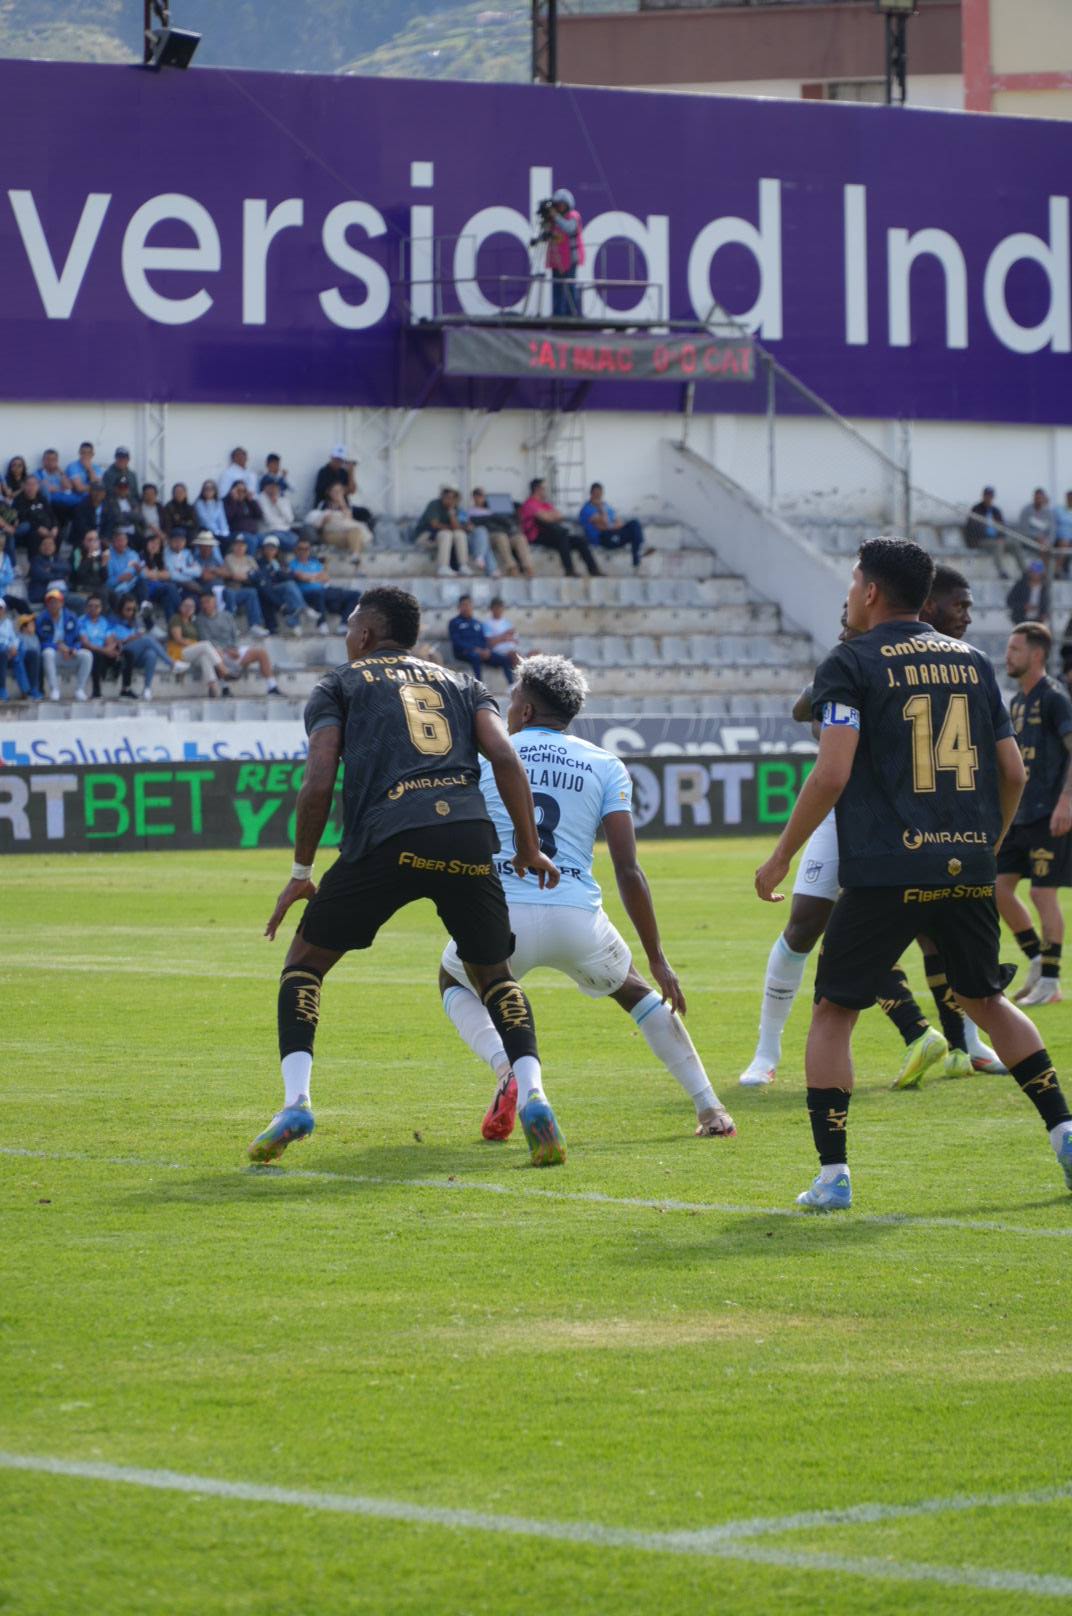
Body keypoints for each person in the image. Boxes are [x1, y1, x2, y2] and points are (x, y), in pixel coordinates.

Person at [754, 537, 1072, 1211]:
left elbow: (833, 770)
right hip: (967, 863)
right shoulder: (972, 660)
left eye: (851, 582)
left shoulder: (851, 661)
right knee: (986, 999)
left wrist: (782, 853)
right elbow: (1012, 771)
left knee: (835, 1010)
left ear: (869, 590)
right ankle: (1064, 1130)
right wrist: (987, 839)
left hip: (885, 867)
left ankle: (833, 1175)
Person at [250, 586, 562, 1168]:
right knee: (494, 977)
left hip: (389, 833)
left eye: (350, 627)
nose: (346, 636)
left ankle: (296, 1102)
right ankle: (536, 1097)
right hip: (467, 834)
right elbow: (505, 757)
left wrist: (301, 871)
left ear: (366, 634)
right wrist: (528, 846)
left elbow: (319, 781)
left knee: (304, 964)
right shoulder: (464, 683)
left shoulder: (338, 684)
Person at [438, 653, 736, 1145]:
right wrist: (659, 958)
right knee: (639, 994)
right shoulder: (605, 764)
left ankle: (509, 1070)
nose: (510, 709)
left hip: (502, 914)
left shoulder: (489, 756)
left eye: (514, 700)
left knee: (452, 978)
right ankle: (711, 1109)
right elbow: (628, 869)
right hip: (575, 915)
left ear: (526, 711)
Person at [739, 570, 1004, 1091]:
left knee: (938, 934)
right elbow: (807, 713)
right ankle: (766, 1054)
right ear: (927, 605)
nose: (966, 615)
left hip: (932, 819)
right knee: (808, 925)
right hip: (858, 815)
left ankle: (962, 1043)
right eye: (960, 604)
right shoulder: (863, 655)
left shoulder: (955, 661)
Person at [996, 621, 1072, 1008]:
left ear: (1037, 654)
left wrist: (1066, 801)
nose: (1008, 656)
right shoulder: (1017, 702)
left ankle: (1052, 982)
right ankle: (1038, 961)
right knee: (998, 888)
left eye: (1015, 649)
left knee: (1043, 892)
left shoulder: (1054, 697)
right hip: (1019, 814)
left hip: (1049, 813)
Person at [197, 594, 285, 696]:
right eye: (203, 603)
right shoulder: (200, 620)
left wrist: (234, 649)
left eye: (208, 601)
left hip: (232, 649)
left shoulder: (226, 616)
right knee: (216, 653)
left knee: (261, 653)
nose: (205, 605)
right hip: (219, 651)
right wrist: (226, 650)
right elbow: (206, 640)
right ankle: (225, 688)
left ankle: (272, 686)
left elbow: (234, 634)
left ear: (214, 602)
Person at [519, 479, 601, 578]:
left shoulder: (545, 504)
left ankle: (594, 570)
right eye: (544, 489)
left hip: (552, 536)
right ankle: (569, 571)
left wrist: (548, 515)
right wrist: (549, 516)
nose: (546, 491)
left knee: (580, 540)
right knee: (562, 535)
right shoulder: (529, 504)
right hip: (536, 537)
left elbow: (560, 516)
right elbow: (545, 519)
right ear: (537, 489)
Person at [287, 537, 361, 634]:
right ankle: (321, 623)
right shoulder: (293, 564)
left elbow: (325, 577)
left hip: (325, 590)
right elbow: (301, 577)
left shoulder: (314, 562)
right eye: (301, 549)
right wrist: (316, 577)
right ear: (296, 550)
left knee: (355, 594)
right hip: (308, 593)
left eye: (306, 549)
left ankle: (343, 625)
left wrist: (310, 578)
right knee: (319, 593)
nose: (304, 551)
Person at [111, 594, 173, 701]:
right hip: (121, 651)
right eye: (128, 609)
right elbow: (111, 640)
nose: (131, 612)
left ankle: (147, 689)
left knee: (151, 654)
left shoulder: (136, 621)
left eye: (133, 609)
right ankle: (172, 663)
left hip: (136, 653)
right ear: (121, 609)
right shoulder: (114, 620)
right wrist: (130, 638)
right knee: (147, 639)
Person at [37, 585, 92, 702]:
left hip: (70, 652)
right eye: (50, 602)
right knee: (47, 653)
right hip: (55, 653)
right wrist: (58, 647)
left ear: (62, 603)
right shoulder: (42, 618)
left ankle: (79, 689)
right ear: (47, 604)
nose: (53, 605)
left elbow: (77, 638)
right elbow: (41, 641)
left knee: (87, 655)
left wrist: (72, 649)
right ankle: (54, 689)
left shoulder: (71, 617)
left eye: (56, 602)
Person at [448, 593, 514, 685]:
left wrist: (486, 650)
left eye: (468, 605)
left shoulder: (477, 623)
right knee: (476, 657)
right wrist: (475, 649)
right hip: (464, 653)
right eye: (464, 605)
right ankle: (480, 686)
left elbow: (483, 640)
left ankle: (511, 686)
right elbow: (457, 642)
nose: (466, 607)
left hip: (481, 652)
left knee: (505, 659)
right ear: (459, 607)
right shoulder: (454, 622)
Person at [578, 483, 648, 568]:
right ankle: (638, 555)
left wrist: (612, 525)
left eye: (600, 494)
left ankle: (637, 555)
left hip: (613, 532)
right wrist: (600, 509)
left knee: (634, 523)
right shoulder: (586, 509)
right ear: (591, 494)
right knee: (632, 533)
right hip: (603, 538)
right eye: (596, 494)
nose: (598, 496)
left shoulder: (606, 506)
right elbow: (603, 523)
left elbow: (618, 521)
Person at [167, 597, 227, 696]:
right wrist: (195, 644)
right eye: (186, 606)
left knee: (205, 657)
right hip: (179, 652)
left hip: (191, 652)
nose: (188, 608)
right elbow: (178, 639)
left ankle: (214, 689)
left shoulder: (192, 622)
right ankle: (224, 670)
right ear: (181, 607)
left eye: (191, 606)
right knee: (206, 645)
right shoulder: (176, 618)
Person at [470, 488, 533, 578]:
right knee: (501, 537)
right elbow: (478, 523)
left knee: (520, 538)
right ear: (474, 497)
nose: (482, 498)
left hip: (505, 533)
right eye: (479, 495)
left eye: (483, 496)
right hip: (491, 535)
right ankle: (511, 567)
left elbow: (509, 516)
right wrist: (494, 516)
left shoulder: (492, 508)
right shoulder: (472, 511)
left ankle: (528, 567)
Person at [305, 482, 370, 567]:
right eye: (335, 491)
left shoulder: (347, 504)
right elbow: (317, 523)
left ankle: (355, 556)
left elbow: (348, 519)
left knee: (355, 532)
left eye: (339, 491)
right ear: (329, 492)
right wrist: (325, 520)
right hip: (330, 534)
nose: (337, 493)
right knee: (356, 541)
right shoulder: (323, 504)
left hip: (346, 533)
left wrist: (342, 502)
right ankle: (357, 562)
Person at [251, 535, 304, 634]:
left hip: (281, 589)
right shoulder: (259, 562)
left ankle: (294, 620)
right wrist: (278, 574)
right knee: (288, 586)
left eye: (273, 548)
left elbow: (290, 575)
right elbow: (264, 579)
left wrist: (278, 573)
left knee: (291, 588)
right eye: (268, 548)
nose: (270, 550)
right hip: (268, 590)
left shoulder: (280, 562)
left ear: (277, 550)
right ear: (263, 549)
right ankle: (302, 608)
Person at [547, 188, 585, 319]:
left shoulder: (574, 216)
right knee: (557, 286)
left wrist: (555, 217)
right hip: (557, 258)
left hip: (570, 257)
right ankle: (557, 313)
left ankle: (572, 313)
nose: (559, 207)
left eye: (562, 204)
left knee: (570, 286)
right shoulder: (554, 219)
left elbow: (569, 228)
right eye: (557, 205)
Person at [415, 487, 470, 578]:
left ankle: (463, 566)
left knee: (460, 534)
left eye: (453, 498)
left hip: (442, 539)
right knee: (446, 534)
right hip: (425, 537)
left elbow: (458, 528)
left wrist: (452, 513)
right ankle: (443, 567)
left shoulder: (455, 509)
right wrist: (451, 528)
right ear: (442, 496)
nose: (450, 500)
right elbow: (434, 525)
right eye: (447, 497)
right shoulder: (434, 504)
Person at [77, 593, 123, 698]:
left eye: (96, 606)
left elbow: (111, 640)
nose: (93, 608)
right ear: (86, 607)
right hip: (89, 650)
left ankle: (123, 688)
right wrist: (105, 651)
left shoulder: (104, 622)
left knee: (120, 654)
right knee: (96, 656)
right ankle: (96, 691)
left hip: (102, 650)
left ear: (101, 608)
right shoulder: (81, 621)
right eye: (90, 606)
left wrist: (109, 650)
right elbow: (85, 643)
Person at [965, 486, 1014, 578]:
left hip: (996, 540)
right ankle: (1001, 571)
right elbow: (973, 529)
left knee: (1014, 544)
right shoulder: (976, 509)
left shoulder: (996, 511)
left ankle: (1025, 572)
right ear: (983, 496)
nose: (988, 498)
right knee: (998, 545)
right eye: (987, 496)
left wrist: (1001, 537)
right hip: (981, 540)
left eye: (990, 496)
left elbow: (1002, 527)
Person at [0, 598, 42, 701]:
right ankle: (2, 689)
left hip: (11, 653)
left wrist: (14, 647)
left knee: (32, 654)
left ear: (4, 610)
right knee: (3, 652)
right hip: (2, 653)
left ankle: (32, 689)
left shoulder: (8, 623)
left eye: (0, 608)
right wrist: (8, 648)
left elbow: (14, 638)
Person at [138, 531, 181, 622]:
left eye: (157, 544)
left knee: (168, 598)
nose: (154, 545)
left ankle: (172, 623)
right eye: (152, 542)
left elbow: (168, 575)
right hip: (146, 588)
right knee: (170, 587)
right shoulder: (140, 555)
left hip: (158, 587)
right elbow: (145, 574)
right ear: (146, 542)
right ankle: (181, 612)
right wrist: (159, 574)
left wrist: (154, 574)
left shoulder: (158, 559)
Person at [14, 476, 59, 558]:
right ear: (24, 486)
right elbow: (23, 518)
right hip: (32, 529)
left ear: (38, 486)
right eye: (28, 484)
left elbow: (51, 514)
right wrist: (38, 528)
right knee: (34, 536)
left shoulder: (41, 498)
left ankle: (54, 559)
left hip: (47, 527)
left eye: (34, 484)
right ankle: (34, 562)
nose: (31, 487)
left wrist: (55, 527)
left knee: (58, 534)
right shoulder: (19, 500)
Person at [257, 476, 301, 552]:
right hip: (270, 531)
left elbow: (290, 519)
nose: (274, 489)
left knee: (298, 540)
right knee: (289, 543)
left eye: (276, 486)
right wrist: (282, 521)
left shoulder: (283, 499)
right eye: (271, 486)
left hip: (286, 531)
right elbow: (268, 520)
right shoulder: (260, 499)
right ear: (265, 487)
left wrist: (277, 504)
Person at [1006, 558, 1051, 627]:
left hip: (1037, 620)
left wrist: (1044, 613)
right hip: (1020, 620)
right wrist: (1024, 606)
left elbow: (1046, 603)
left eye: (1037, 572)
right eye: (1033, 572)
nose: (1035, 574)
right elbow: (1009, 601)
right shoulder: (1021, 585)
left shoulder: (1044, 587)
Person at [27, 535, 70, 605]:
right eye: (44, 544)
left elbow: (67, 568)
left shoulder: (58, 559)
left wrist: (50, 566)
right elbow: (44, 576)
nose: (48, 547)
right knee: (58, 599)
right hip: (43, 593)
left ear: (55, 547)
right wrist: (61, 576)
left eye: (50, 544)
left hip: (62, 591)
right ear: (40, 547)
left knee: (81, 601)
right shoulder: (35, 561)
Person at [164, 529, 205, 601]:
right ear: (170, 541)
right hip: (175, 583)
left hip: (190, 583)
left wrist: (182, 569)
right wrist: (187, 578)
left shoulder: (187, 553)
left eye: (182, 541)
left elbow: (198, 571)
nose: (179, 543)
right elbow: (172, 574)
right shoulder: (165, 553)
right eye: (176, 541)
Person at [483, 598, 522, 671]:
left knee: (534, 653)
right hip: (498, 650)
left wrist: (508, 638)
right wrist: (504, 637)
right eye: (496, 608)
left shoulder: (507, 623)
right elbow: (490, 643)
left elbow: (516, 640)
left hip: (511, 648)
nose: (499, 610)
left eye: (501, 607)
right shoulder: (487, 624)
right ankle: (517, 680)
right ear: (491, 609)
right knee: (514, 656)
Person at [1018, 488, 1056, 555]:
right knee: (1042, 547)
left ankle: (1045, 564)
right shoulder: (1026, 510)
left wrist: (1048, 541)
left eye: (1040, 498)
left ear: (1043, 498)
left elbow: (1052, 531)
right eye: (1037, 497)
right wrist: (1036, 537)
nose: (1039, 500)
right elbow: (1023, 530)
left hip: (1045, 543)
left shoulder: (1049, 513)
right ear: (1034, 497)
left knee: (1046, 548)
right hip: (1029, 542)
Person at [1054, 490, 1072, 579]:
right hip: (1060, 538)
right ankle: (1057, 570)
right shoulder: (1058, 510)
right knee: (1065, 543)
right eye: (1069, 498)